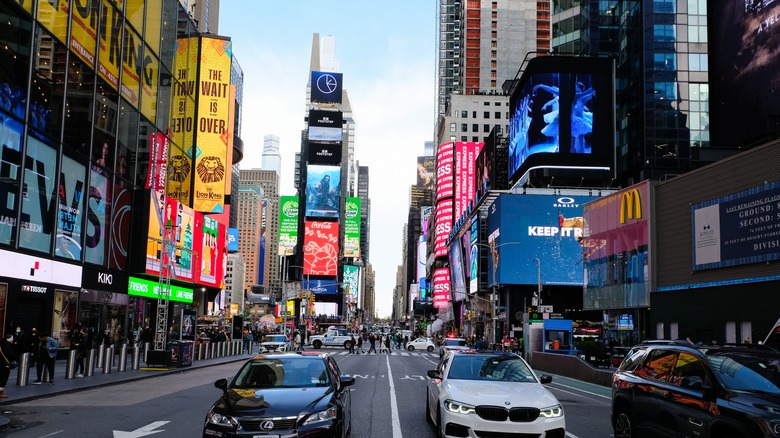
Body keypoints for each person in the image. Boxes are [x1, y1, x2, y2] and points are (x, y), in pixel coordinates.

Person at [0, 333, 17, 398]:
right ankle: (0, 392)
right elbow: (11, 355)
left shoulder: (1, 344)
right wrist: (15, 357)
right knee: (4, 378)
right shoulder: (7, 346)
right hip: (4, 364)